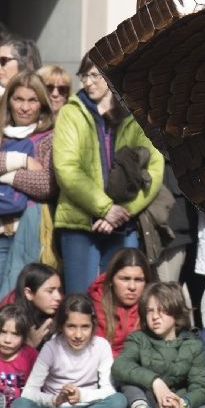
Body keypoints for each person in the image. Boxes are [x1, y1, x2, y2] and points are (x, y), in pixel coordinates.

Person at [52, 57, 164, 293]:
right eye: (84, 76)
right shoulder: (71, 113)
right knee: (81, 298)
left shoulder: (136, 115)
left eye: (95, 76)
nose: (88, 83)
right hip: (80, 223)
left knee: (121, 298)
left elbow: (154, 168)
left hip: (124, 222)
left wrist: (122, 213)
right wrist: (105, 208)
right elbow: (67, 169)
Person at [0, 70, 55, 298]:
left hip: (32, 232)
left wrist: (4, 174)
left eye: (32, 100)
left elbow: (47, 183)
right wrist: (23, 161)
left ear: (42, 104)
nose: (25, 107)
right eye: (19, 99)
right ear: (8, 100)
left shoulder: (50, 136)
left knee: (26, 303)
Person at [11, 293, 127, 408]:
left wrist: (81, 395)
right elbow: (29, 392)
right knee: (19, 406)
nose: (78, 335)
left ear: (93, 326)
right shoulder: (51, 348)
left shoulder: (101, 346)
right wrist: (55, 400)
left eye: (85, 327)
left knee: (119, 401)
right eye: (71, 326)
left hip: (87, 407)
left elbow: (108, 390)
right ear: (61, 326)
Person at [112, 281, 205, 408]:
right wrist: (155, 382)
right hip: (145, 400)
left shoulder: (193, 344)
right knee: (129, 379)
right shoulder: (138, 339)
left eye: (162, 311)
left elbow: (201, 388)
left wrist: (182, 402)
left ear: (176, 313)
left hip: (172, 407)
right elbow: (120, 365)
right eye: (150, 311)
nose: (155, 317)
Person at [89, 246, 152, 357]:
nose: (132, 287)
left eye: (138, 280)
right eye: (125, 279)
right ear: (111, 280)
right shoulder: (91, 307)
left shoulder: (154, 308)